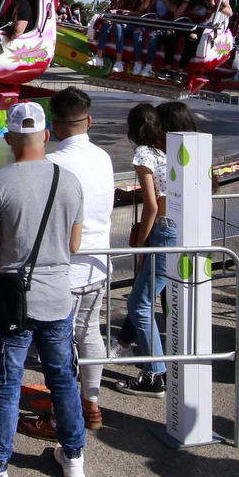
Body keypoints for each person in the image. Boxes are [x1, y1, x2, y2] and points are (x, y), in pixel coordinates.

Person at [0, 103, 87, 477]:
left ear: (9, 139)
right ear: (46, 136)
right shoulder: (70, 181)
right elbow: (75, 243)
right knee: (63, 378)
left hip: (12, 303)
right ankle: (74, 456)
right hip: (58, 297)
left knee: (5, 385)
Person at [22, 89, 114, 438]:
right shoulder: (104, 158)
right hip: (99, 262)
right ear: (88, 120)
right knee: (91, 333)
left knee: (59, 347)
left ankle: (64, 416)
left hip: (63, 268)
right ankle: (91, 403)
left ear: (54, 126)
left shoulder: (55, 164)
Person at [104, 102, 177, 398]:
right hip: (179, 226)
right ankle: (149, 362)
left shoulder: (144, 154)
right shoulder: (167, 146)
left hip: (162, 229)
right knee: (145, 299)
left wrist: (142, 243)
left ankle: (155, 373)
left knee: (140, 304)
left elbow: (150, 204)